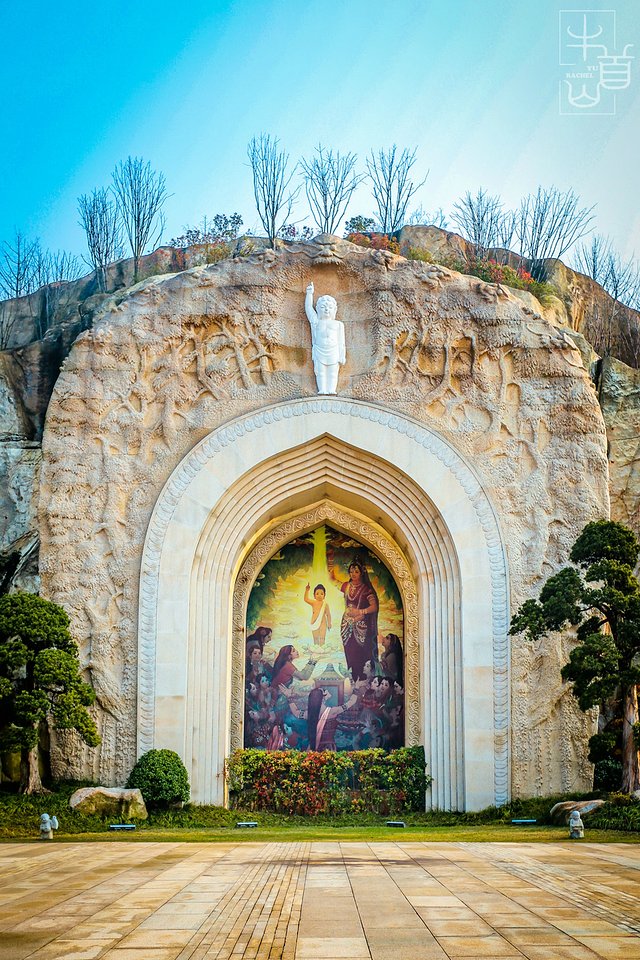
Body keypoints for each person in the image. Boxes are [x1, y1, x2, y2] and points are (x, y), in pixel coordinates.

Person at [332, 560, 379, 680]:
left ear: (361, 573)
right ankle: (354, 678)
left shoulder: (366, 589)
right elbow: (332, 580)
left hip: (361, 626)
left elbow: (374, 607)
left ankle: (362, 679)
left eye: (356, 571)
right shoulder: (347, 586)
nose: (353, 574)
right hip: (346, 625)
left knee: (360, 652)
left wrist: (360, 612)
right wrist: (330, 563)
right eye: (351, 571)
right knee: (350, 651)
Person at [305, 282, 346, 394]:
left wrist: (342, 355)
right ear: (318, 309)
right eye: (323, 307)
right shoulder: (316, 322)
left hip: (334, 350)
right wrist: (309, 294)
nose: (326, 309)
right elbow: (308, 309)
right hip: (319, 350)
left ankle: (332, 390)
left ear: (334, 310)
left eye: (329, 307)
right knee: (320, 372)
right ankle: (322, 389)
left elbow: (341, 342)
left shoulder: (338, 324)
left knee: (333, 372)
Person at [292, 687, 358, 750]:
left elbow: (296, 712)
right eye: (324, 690)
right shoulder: (333, 711)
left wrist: (289, 698)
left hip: (314, 746)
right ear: (322, 698)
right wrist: (356, 688)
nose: (326, 690)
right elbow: (351, 702)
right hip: (329, 748)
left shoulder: (309, 714)